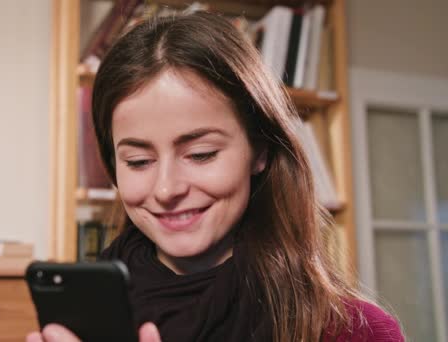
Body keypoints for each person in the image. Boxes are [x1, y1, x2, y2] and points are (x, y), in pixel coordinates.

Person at [28, 11, 405, 342]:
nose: (166, 189)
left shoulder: (358, 332)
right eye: (139, 161)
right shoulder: (85, 318)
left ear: (258, 152)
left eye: (200, 154)